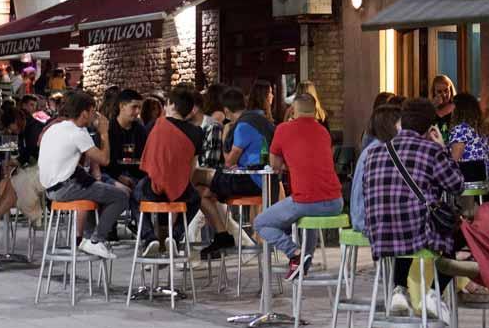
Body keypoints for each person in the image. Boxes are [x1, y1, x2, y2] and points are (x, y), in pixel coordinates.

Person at [363, 98, 464, 319]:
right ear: (430, 127)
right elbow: (456, 185)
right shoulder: (430, 150)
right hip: (416, 232)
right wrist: (443, 149)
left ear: (401, 121)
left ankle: (399, 288)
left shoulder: (374, 152)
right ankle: (434, 293)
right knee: (464, 231)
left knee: (406, 220)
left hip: (380, 235)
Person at [253, 93, 344, 279]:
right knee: (308, 218)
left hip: (306, 201)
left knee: (261, 223)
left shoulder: (283, 129)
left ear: (293, 110)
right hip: (336, 201)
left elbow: (275, 165)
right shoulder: (323, 132)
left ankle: (295, 253)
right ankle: (303, 265)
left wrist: (290, 164)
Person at [38, 91, 129, 260]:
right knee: (121, 196)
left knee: (95, 187)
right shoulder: (78, 132)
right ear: (85, 112)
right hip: (66, 189)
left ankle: (87, 238)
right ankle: (96, 241)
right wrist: (104, 133)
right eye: (93, 111)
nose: (95, 115)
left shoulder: (54, 128)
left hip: (49, 190)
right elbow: (105, 160)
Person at [195, 86, 270, 258]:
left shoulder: (243, 126)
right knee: (203, 192)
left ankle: (177, 230)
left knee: (196, 176)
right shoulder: (260, 119)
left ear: (227, 111)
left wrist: (224, 137)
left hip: (249, 181)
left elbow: (229, 161)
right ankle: (222, 235)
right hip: (263, 179)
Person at [137, 85, 204, 255]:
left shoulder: (154, 125)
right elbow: (191, 167)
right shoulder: (197, 133)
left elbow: (147, 156)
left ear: (171, 104)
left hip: (153, 187)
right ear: (189, 111)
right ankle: (174, 237)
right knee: (195, 199)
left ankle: (149, 237)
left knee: (134, 197)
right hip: (180, 188)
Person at [351, 102, 400, 233]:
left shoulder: (374, 147)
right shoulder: (383, 151)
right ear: (392, 125)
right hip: (369, 220)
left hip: (360, 217)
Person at [446, 92, 489, 183]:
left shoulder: (460, 129)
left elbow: (454, 160)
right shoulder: (478, 130)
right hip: (485, 179)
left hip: (470, 179)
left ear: (458, 110)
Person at [103, 89, 147, 186]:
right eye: (134, 107)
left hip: (137, 177)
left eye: (140, 108)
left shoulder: (140, 130)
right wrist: (118, 176)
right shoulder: (108, 129)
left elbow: (143, 158)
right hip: (113, 176)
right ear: (122, 106)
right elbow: (104, 162)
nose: (138, 112)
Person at [430, 74, 456, 139]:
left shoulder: (457, 107)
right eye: (439, 92)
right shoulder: (430, 107)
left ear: (451, 90)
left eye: (446, 90)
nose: (444, 95)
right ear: (434, 92)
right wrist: (432, 107)